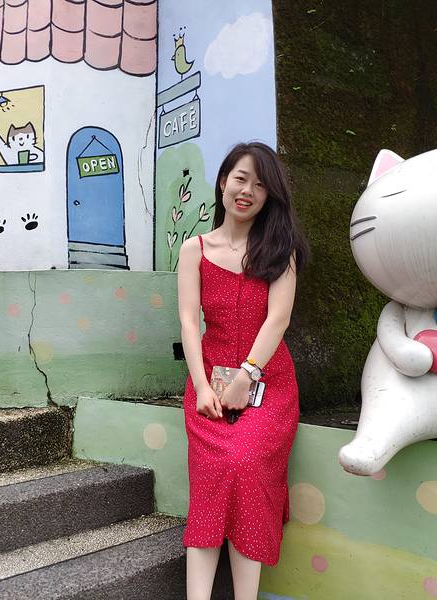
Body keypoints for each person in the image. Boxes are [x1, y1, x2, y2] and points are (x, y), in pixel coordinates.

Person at [177, 142, 308, 600]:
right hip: (208, 386)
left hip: (268, 386)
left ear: (270, 195)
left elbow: (278, 320)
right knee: (213, 479)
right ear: (223, 182)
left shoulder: (280, 251)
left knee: (245, 465)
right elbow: (189, 322)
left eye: (260, 183)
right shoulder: (193, 250)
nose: (248, 190)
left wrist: (247, 375)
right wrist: (201, 386)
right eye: (241, 178)